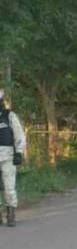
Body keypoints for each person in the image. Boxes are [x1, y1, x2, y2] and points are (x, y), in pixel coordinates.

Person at [0, 89, 25, 226]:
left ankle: (11, 213)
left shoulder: (9, 116)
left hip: (8, 156)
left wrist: (19, 152)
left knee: (9, 186)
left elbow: (19, 135)